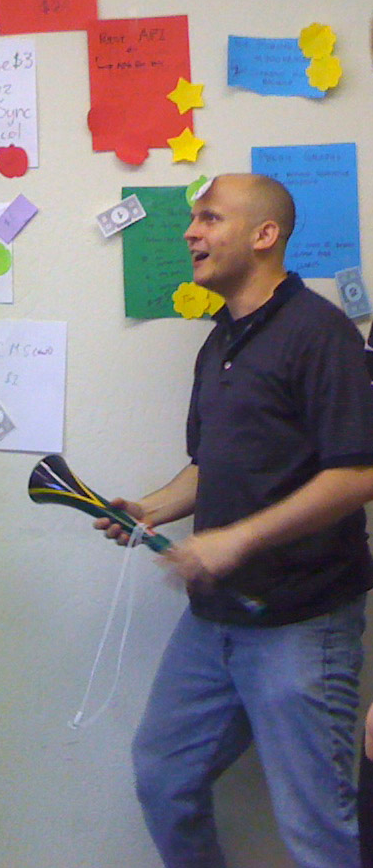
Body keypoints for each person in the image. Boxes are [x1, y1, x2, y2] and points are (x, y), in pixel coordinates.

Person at [96, 173, 373, 868]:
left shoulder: (322, 334)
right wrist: (150, 509)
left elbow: (359, 473)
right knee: (164, 778)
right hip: (213, 621)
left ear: (264, 235)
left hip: (303, 623)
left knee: (317, 829)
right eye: (194, 220)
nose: (191, 232)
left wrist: (239, 539)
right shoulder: (220, 342)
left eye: (210, 218)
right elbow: (212, 464)